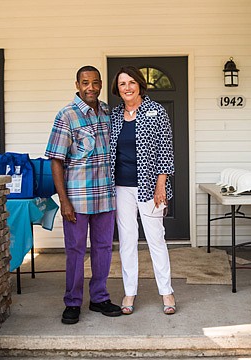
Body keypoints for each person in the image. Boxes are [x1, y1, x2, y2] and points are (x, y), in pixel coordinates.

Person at [45, 65, 122, 325]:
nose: (91, 87)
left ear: (100, 85)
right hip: (77, 199)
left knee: (103, 249)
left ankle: (99, 297)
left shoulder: (109, 113)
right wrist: (63, 200)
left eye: (95, 82)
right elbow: (56, 160)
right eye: (85, 82)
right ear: (77, 85)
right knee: (75, 251)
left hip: (105, 196)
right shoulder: (67, 115)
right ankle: (73, 302)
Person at [109, 65, 176, 315]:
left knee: (155, 239)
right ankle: (129, 292)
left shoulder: (156, 111)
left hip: (150, 187)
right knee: (126, 241)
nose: (127, 87)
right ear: (118, 88)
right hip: (120, 188)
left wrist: (161, 184)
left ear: (139, 85)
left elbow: (166, 151)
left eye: (131, 83)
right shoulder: (114, 115)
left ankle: (166, 292)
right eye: (122, 84)